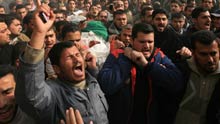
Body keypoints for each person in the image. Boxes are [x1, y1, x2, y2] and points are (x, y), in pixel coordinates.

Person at [16, 1, 108, 124]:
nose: (76, 59)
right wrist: (39, 33)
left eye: (77, 55)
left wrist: (93, 70)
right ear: (57, 68)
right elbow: (33, 97)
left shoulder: (93, 82)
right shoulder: (54, 93)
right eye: (69, 57)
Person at [98, 23, 184, 124]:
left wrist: (147, 65)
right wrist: (126, 60)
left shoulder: (158, 56)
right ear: (132, 40)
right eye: (142, 42)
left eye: (150, 41)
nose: (147, 46)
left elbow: (177, 83)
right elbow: (106, 85)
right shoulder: (117, 55)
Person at [175, 30, 220, 124]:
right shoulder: (182, 70)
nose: (210, 60)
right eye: (203, 54)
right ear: (193, 53)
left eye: (213, 53)